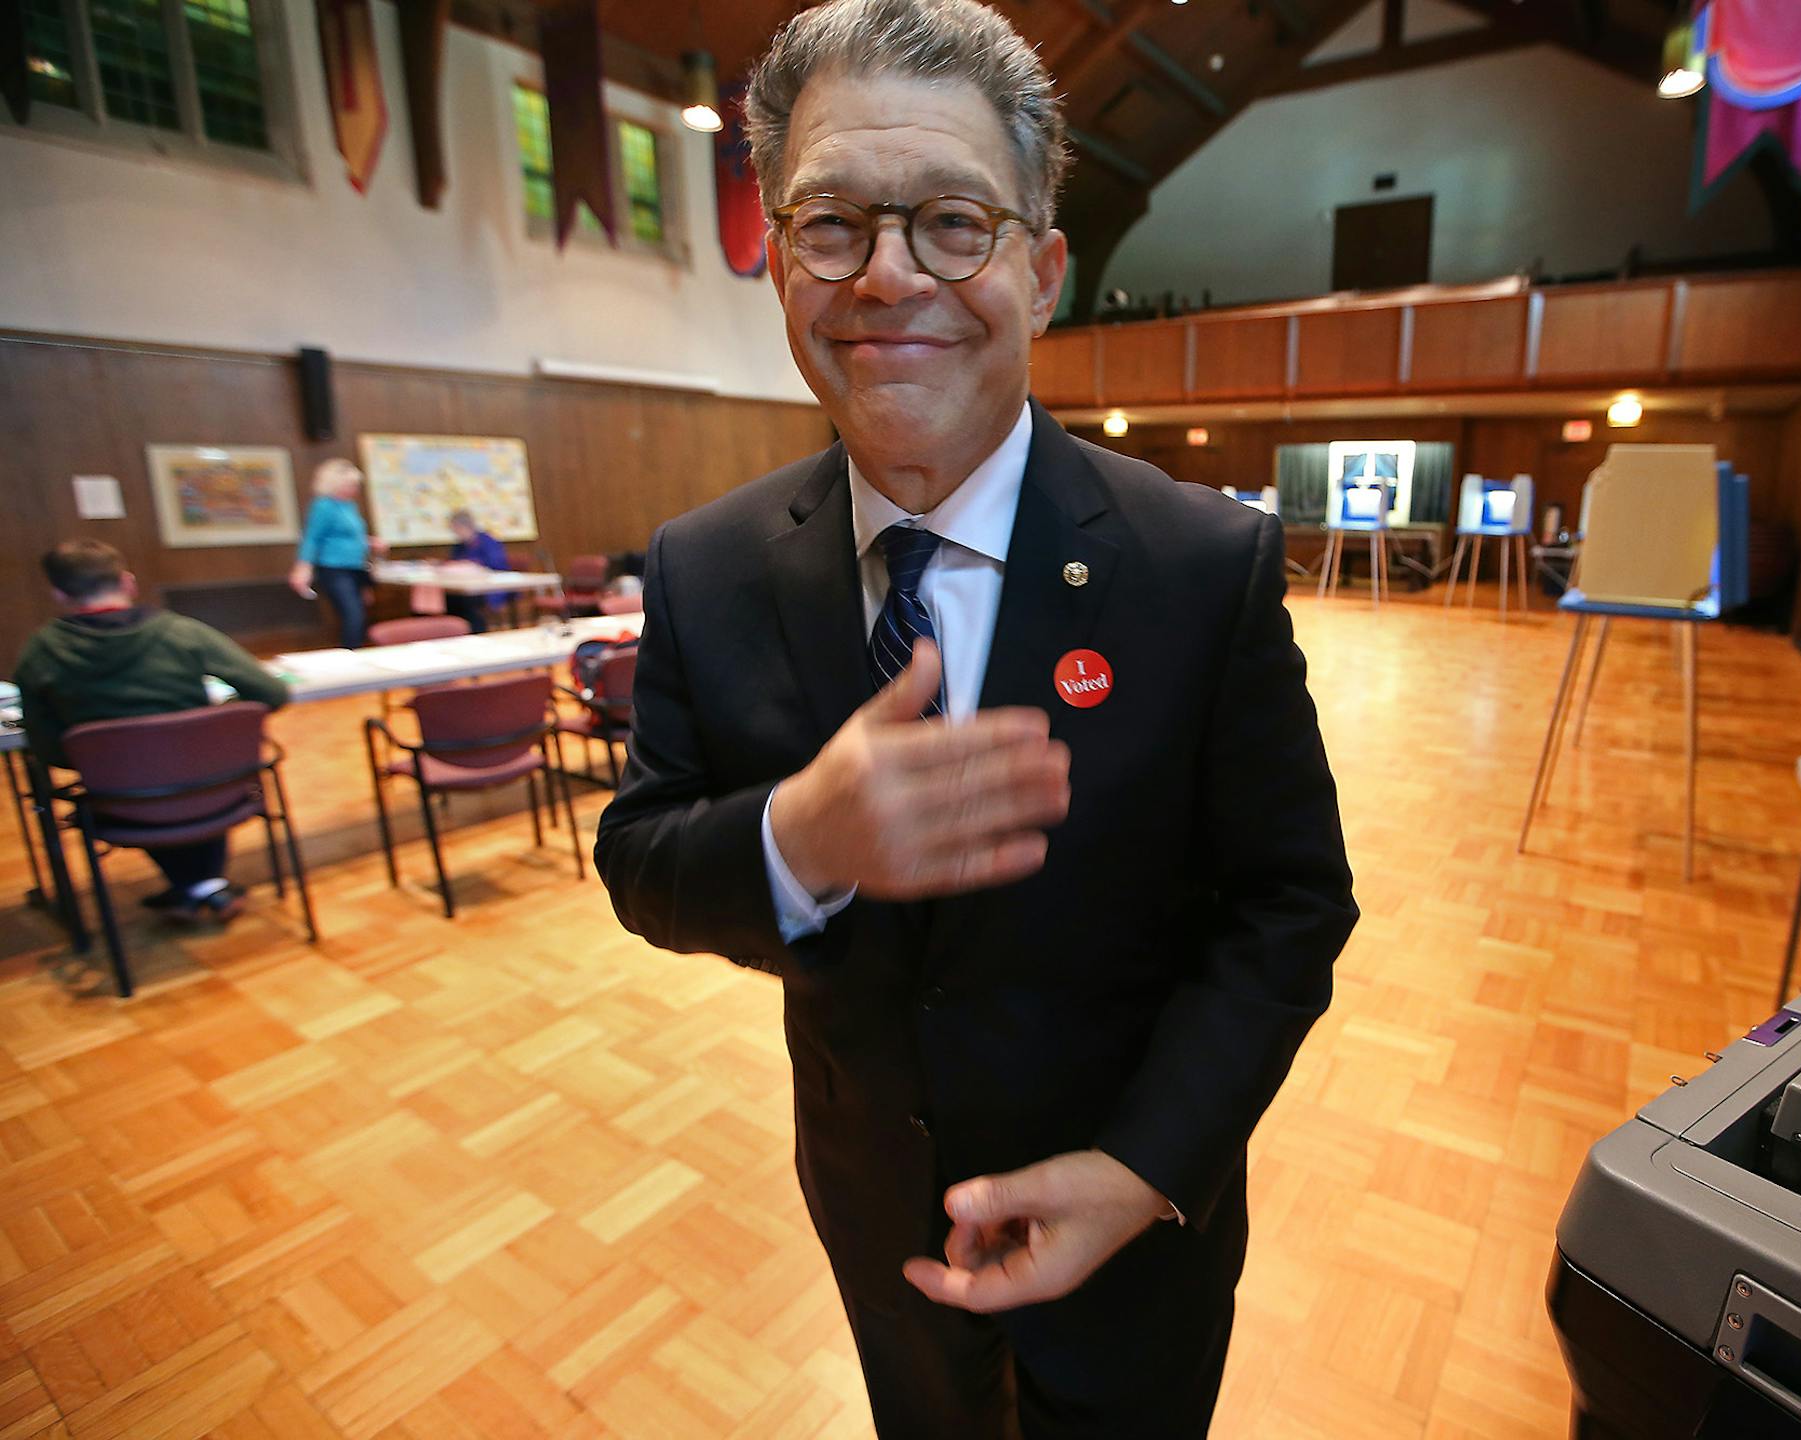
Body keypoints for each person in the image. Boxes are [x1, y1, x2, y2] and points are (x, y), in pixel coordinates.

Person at [594, 1, 1356, 1434]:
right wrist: (795, 838)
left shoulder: (1204, 564)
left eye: (953, 221)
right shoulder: (702, 564)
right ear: (779, 267)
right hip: (877, 1214)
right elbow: (640, 859)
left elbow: (1291, 904)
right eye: (832, 226)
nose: (889, 278)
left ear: (1044, 269)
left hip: (1138, 1237)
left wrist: (1144, 1169)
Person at [13, 540, 291, 922]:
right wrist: (217, 724)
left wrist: (99, 756)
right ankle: (204, 886)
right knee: (183, 766)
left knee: (148, 777)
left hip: (121, 801)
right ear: (128, 583)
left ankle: (196, 887)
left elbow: (48, 748)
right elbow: (271, 692)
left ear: (59, 594)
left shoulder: (41, 652)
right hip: (217, 789)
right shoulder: (181, 633)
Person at [289, 458, 382, 648]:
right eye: (350, 485)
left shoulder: (349, 506)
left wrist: (369, 542)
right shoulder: (323, 506)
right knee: (353, 615)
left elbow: (349, 536)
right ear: (335, 484)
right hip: (334, 569)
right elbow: (312, 538)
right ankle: (350, 657)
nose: (355, 490)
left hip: (356, 567)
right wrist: (303, 567)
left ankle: (356, 653)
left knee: (361, 615)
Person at [444, 508, 512, 632]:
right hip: (464, 586)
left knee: (466, 602)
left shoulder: (487, 541)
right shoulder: (460, 546)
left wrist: (473, 565)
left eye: (455, 529)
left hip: (489, 588)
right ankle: (458, 631)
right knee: (449, 598)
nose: (455, 533)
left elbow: (496, 565)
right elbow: (453, 562)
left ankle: (476, 631)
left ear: (463, 526)